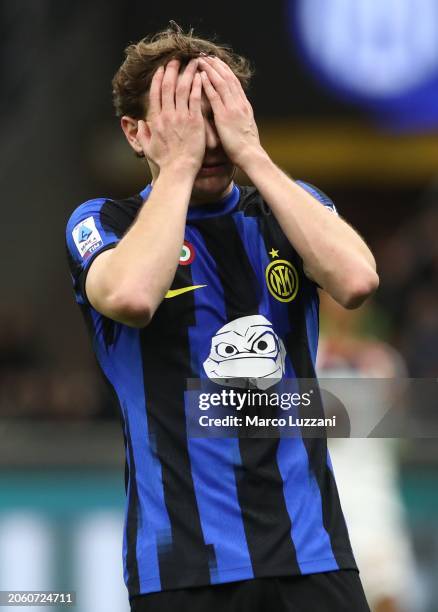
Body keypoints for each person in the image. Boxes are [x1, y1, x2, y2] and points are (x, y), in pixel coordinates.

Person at [65, 24, 379, 612]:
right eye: (183, 118)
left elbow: (357, 281)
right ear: (135, 132)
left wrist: (254, 154)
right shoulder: (105, 222)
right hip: (183, 568)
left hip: (312, 554)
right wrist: (178, 167)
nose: (205, 140)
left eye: (214, 116)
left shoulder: (285, 206)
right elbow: (132, 296)